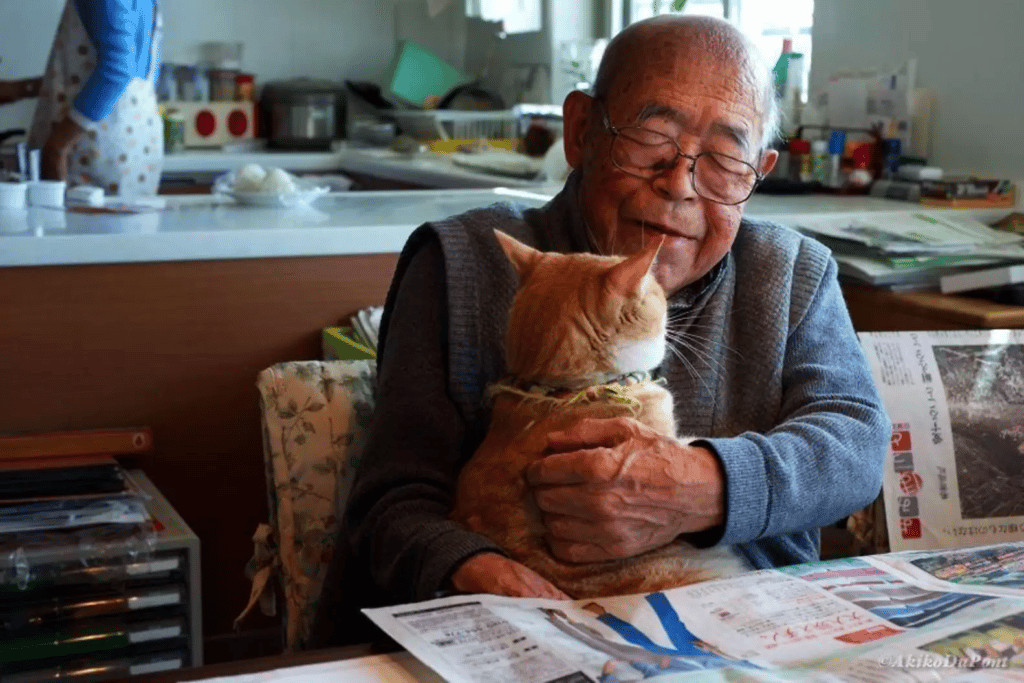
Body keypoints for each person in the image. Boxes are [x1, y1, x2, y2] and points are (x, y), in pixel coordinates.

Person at [336, 14, 890, 624]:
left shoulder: (790, 273)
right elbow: (389, 505)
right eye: (652, 141)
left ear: (758, 173)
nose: (680, 183)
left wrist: (703, 487)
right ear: (580, 133)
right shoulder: (468, 263)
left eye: (726, 162)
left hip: (745, 632)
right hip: (523, 626)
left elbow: (857, 446)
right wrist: (476, 568)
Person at [3, 0, 163, 195]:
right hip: (136, 151)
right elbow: (132, 81)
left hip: (91, 153)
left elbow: (118, 70)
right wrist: (21, 89)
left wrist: (57, 147)